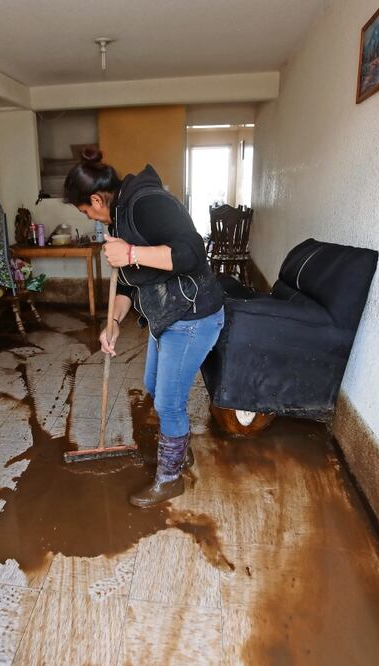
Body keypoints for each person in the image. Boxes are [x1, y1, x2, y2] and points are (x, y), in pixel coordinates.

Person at [64, 150, 225, 507]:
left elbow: (193, 253)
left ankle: (169, 480)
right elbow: (125, 283)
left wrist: (133, 253)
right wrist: (114, 323)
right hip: (166, 315)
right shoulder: (118, 219)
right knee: (154, 386)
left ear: (94, 199)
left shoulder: (147, 203)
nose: (89, 217)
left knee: (168, 402)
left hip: (193, 315)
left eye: (85, 211)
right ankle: (179, 450)